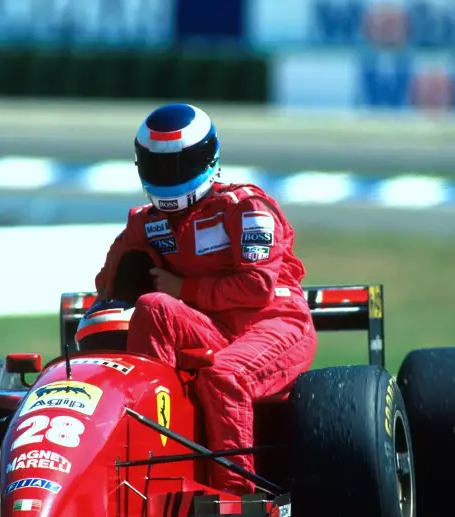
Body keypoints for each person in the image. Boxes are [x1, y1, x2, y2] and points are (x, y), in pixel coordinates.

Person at [86, 103, 318, 497]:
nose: (168, 175)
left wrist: (183, 289)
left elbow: (256, 287)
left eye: (179, 164)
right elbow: (108, 287)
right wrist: (129, 270)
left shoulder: (247, 208)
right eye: (158, 166)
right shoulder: (146, 221)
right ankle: (150, 476)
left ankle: (238, 492)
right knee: (152, 308)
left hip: (273, 324)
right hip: (212, 328)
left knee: (224, 374)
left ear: (208, 158)